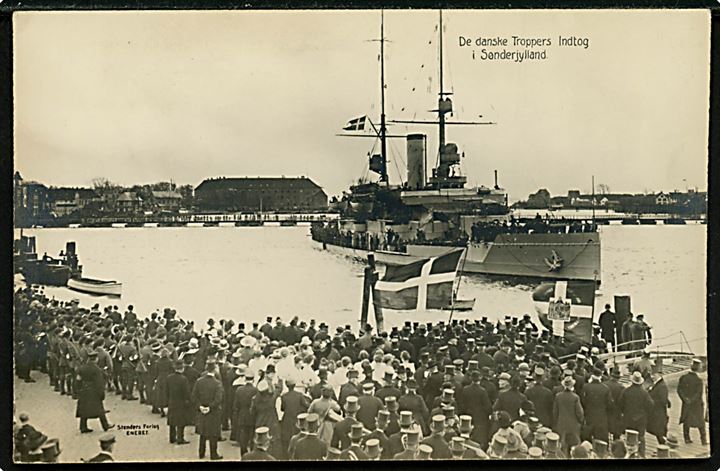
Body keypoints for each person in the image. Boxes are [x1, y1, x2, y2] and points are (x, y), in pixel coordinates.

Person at [191, 362, 224, 460]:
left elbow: (194, 396)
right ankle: (213, 454)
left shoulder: (199, 381)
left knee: (203, 432)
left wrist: (200, 406)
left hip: (201, 409)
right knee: (213, 432)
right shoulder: (217, 383)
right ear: (214, 370)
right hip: (213, 411)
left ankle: (201, 452)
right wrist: (210, 407)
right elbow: (218, 399)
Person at [617, 371, 654, 457]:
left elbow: (620, 404)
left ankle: (627, 454)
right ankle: (642, 455)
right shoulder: (644, 393)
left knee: (629, 437)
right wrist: (645, 413)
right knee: (641, 437)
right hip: (641, 419)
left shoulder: (626, 391)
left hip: (628, 418)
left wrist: (624, 412)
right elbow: (651, 404)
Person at [76, 351, 115, 433]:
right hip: (93, 391)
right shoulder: (96, 370)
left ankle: (83, 426)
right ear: (96, 359)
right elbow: (99, 383)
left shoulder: (82, 367)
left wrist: (78, 389)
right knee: (100, 409)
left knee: (84, 409)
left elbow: (78, 379)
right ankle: (105, 425)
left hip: (84, 390)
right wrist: (101, 394)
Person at [677, 359, 707, 445]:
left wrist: (685, 399)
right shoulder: (699, 380)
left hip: (686, 403)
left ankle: (687, 438)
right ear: (698, 368)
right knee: (700, 422)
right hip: (696, 405)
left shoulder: (683, 377)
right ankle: (703, 440)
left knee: (686, 420)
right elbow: (699, 393)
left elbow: (679, 390)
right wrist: (692, 400)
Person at [279, 378, 311, 458]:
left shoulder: (284, 396)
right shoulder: (299, 395)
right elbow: (306, 405)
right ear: (294, 385)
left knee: (287, 439)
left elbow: (282, 408)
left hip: (286, 419)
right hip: (296, 419)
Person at [552, 375, 584, 455]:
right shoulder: (575, 397)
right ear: (572, 385)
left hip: (561, 424)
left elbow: (555, 412)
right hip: (573, 425)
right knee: (574, 445)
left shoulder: (558, 396)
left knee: (563, 446)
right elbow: (579, 413)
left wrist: (556, 423)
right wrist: (580, 422)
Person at [166, 359, 191, 444]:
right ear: (182, 368)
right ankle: (180, 438)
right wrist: (189, 400)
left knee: (172, 420)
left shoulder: (169, 378)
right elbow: (186, 392)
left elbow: (167, 390)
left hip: (172, 401)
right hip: (181, 402)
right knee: (181, 421)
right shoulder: (183, 379)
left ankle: (172, 437)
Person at [647, 372, 670, 445]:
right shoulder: (656, 384)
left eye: (654, 375)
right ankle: (662, 446)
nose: (652, 376)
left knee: (660, 431)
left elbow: (663, 400)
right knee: (658, 431)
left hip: (659, 412)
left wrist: (651, 401)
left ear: (659, 375)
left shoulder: (662, 386)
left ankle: (663, 447)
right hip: (656, 412)